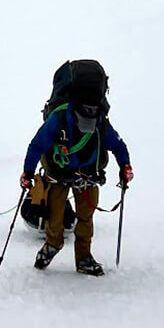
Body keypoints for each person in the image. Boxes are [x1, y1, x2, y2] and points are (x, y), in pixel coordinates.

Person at [20, 97, 133, 276]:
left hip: (87, 176)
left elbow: (118, 146)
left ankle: (83, 257)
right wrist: (28, 172)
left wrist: (125, 165)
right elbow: (37, 146)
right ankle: (52, 245)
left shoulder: (101, 123)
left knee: (85, 217)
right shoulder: (59, 119)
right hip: (59, 173)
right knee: (54, 216)